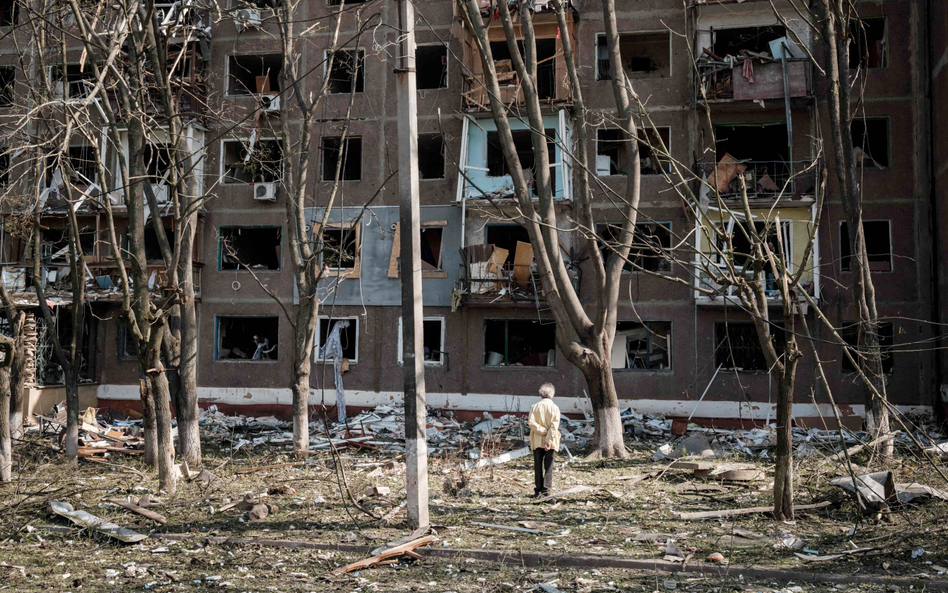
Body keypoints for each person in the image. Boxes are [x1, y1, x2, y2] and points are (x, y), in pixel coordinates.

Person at [528, 382, 561, 498]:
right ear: (552, 395)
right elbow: (554, 426)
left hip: (537, 441)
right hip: (551, 442)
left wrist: (542, 431)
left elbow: (531, 423)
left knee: (538, 465)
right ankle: (546, 490)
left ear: (541, 394)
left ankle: (537, 490)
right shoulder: (555, 408)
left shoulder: (534, 407)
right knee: (549, 466)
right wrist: (549, 439)